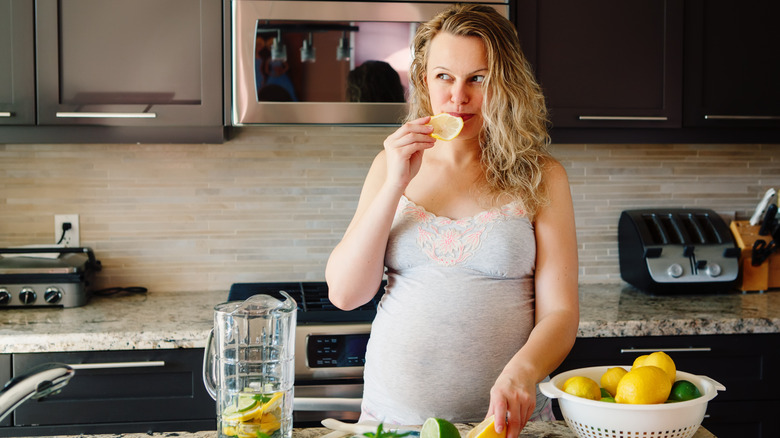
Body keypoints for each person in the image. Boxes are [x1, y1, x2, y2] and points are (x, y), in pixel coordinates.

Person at [325, 4, 579, 437]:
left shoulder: (541, 175)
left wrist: (523, 371)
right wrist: (394, 183)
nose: (457, 97)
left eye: (477, 79)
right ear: (424, 79)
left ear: (504, 83)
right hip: (393, 421)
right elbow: (346, 294)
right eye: (444, 76)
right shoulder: (390, 166)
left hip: (504, 426)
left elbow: (560, 313)